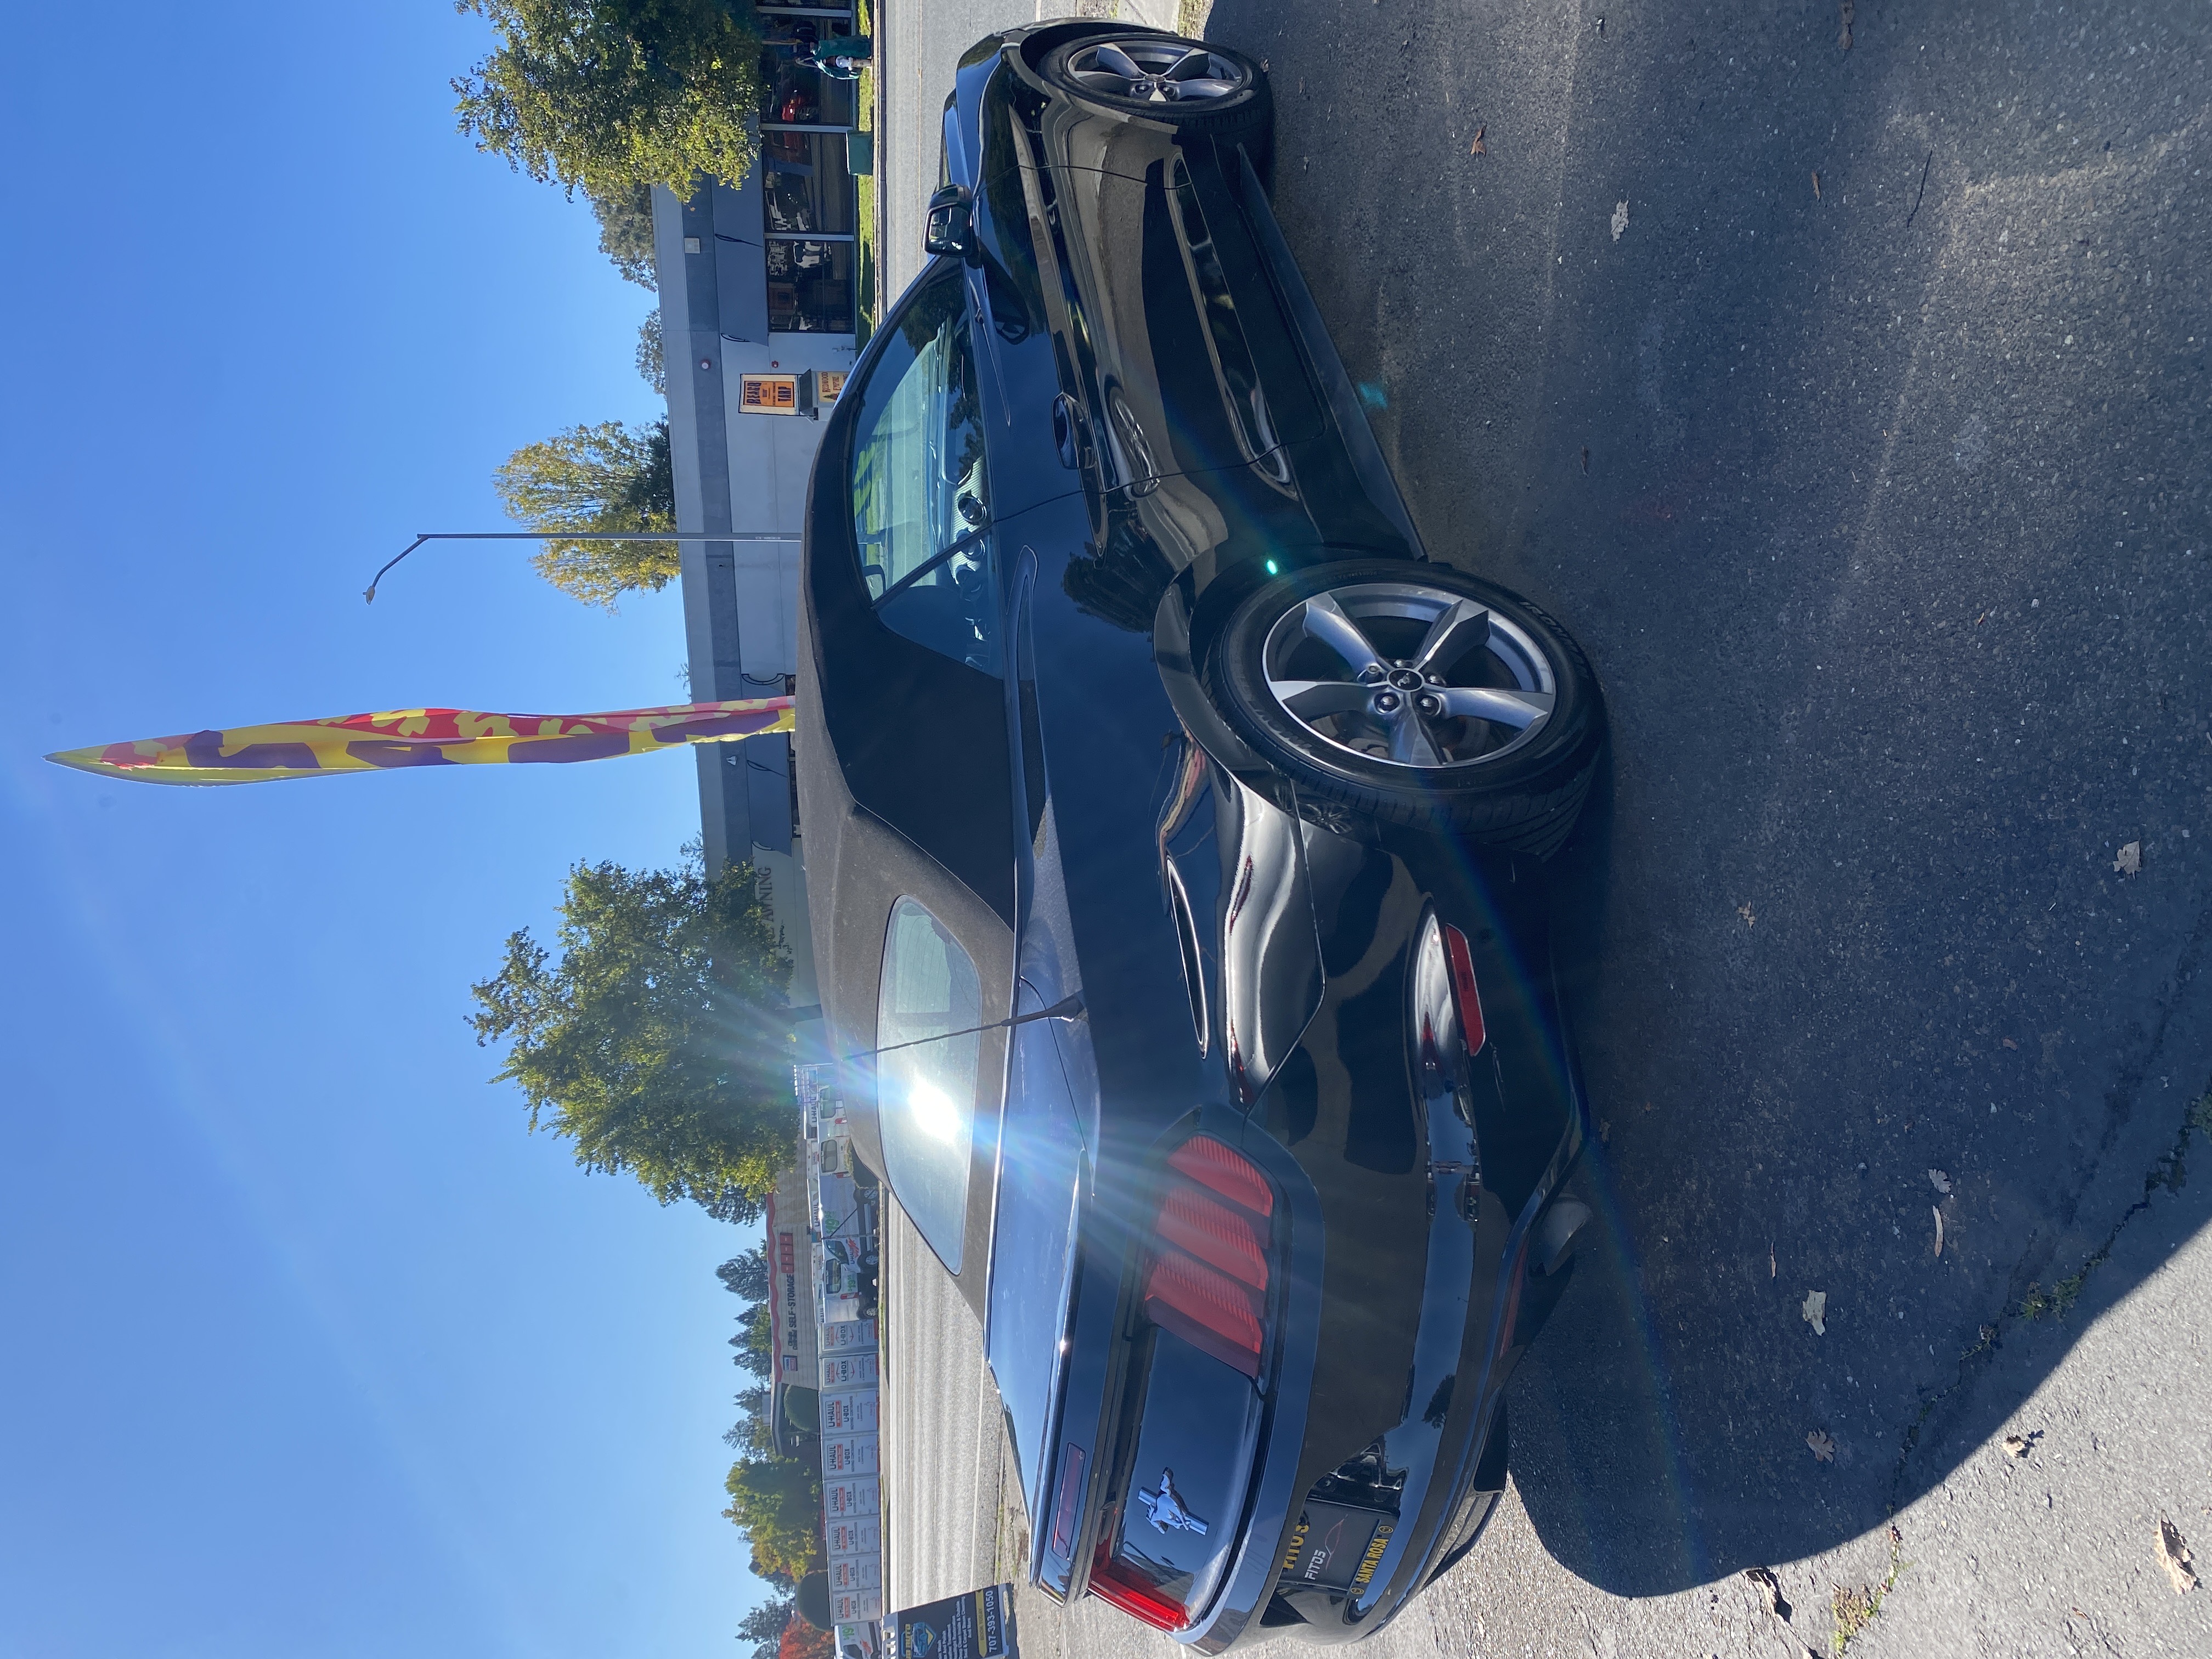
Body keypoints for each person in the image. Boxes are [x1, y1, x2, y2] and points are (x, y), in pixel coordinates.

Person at [805, 33, 871, 80]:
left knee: (851, 49)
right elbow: (833, 72)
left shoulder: (823, 47)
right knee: (844, 61)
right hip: (841, 61)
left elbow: (836, 44)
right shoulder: (820, 59)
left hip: (842, 53)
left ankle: (864, 54)